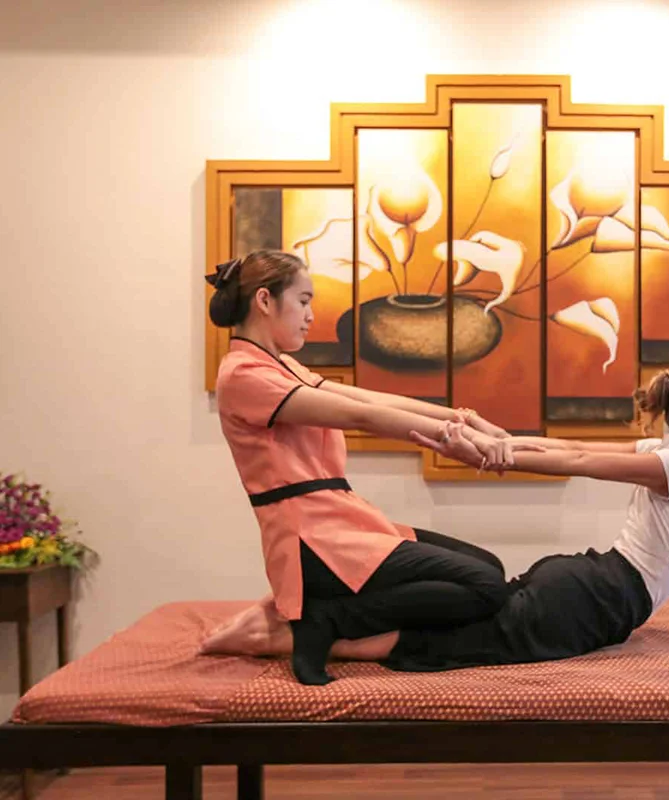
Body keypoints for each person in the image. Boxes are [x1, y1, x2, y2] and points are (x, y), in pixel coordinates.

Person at [205, 249, 538, 685]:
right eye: (303, 301)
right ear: (265, 300)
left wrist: (465, 420)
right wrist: (457, 441)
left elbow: (368, 399)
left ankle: (328, 616)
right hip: (311, 539)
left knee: (487, 567)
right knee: (485, 586)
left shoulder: (281, 366)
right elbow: (361, 417)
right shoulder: (243, 375)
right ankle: (328, 622)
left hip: (339, 521)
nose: (310, 315)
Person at [321, 354, 669, 672]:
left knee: (468, 623)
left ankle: (333, 624)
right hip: (599, 599)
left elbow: (571, 448)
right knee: (455, 645)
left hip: (588, 585)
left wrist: (498, 443)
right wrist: (491, 453)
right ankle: (328, 637)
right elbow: (577, 459)